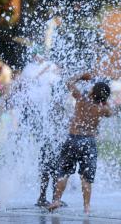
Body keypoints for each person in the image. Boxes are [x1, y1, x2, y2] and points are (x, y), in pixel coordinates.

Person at [47, 73, 112, 214]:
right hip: (88, 142)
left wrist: (81, 77)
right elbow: (110, 112)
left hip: (72, 138)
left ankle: (57, 200)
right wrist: (104, 100)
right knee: (86, 177)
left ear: (92, 91)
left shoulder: (81, 99)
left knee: (64, 172)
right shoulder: (102, 109)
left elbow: (68, 82)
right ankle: (87, 207)